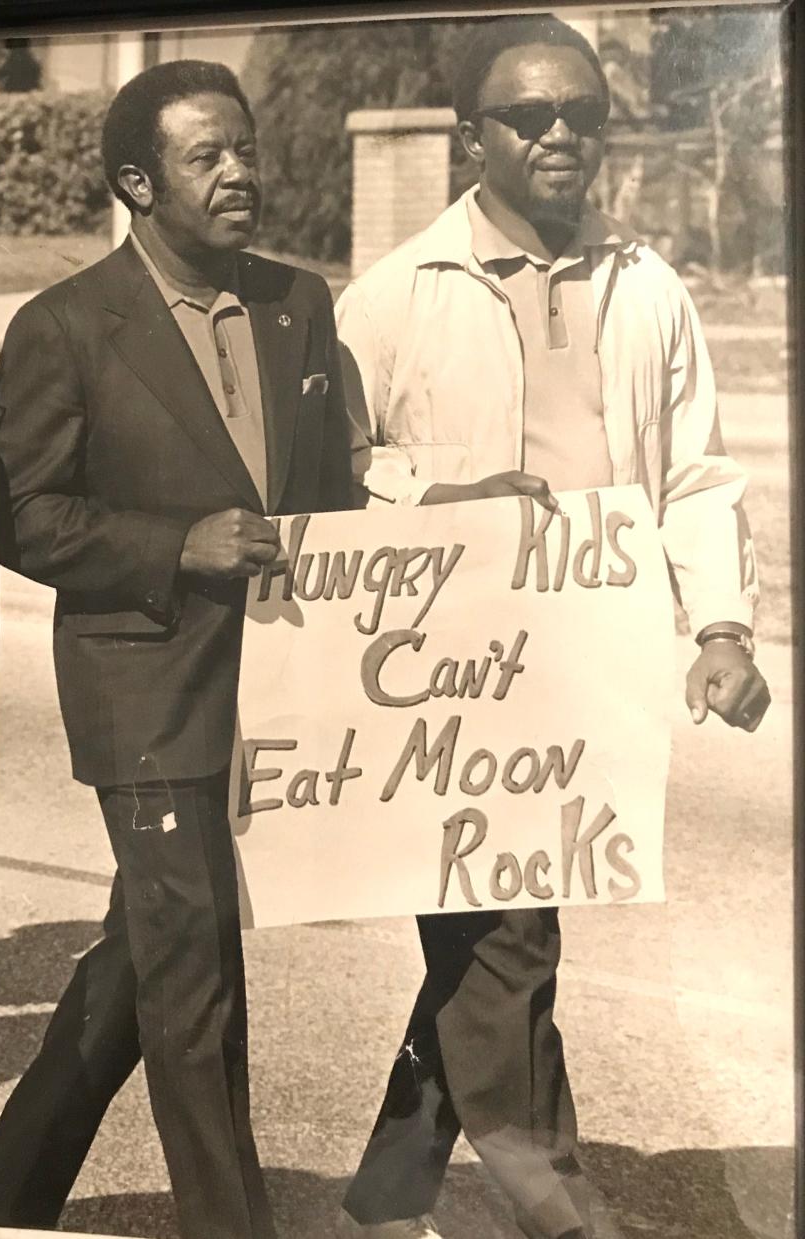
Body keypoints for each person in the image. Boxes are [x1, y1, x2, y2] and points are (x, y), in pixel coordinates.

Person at [334, 15, 769, 1239]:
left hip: (598, 674)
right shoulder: (393, 297)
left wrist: (721, 629)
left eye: (584, 114)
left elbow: (697, 474)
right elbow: (335, 471)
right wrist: (439, 499)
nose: (562, 134)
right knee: (507, 939)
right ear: (475, 136)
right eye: (530, 117)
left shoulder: (650, 289)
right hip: (453, 683)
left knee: (500, 936)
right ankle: (560, 1204)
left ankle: (385, 1197)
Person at [0, 60, 351, 1239]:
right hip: (146, 694)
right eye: (206, 156)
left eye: (245, 147)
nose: (240, 172)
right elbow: (26, 516)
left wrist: (461, 513)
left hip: (279, 698)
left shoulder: (300, 305)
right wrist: (175, 544)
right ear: (138, 182)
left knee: (145, 961)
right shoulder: (67, 325)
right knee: (196, 992)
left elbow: (333, 496)